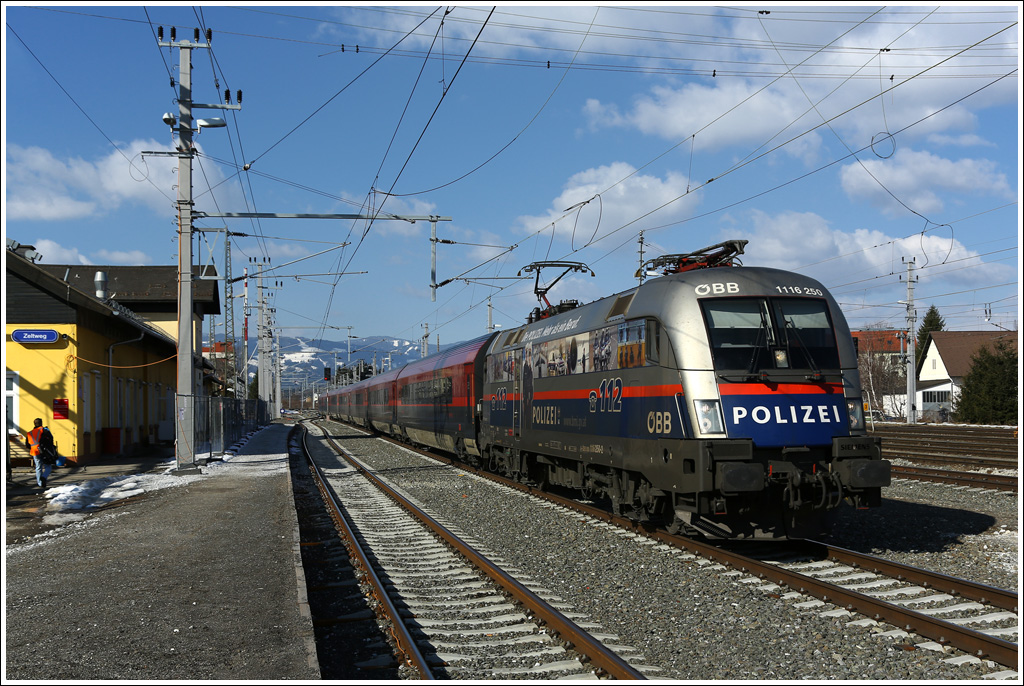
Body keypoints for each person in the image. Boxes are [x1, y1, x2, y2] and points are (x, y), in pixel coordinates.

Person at [26, 417, 52, 489]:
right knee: (48, 466)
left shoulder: (30, 433)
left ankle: (40, 483)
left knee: (38, 467)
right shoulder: (44, 430)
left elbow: (27, 445)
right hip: (44, 451)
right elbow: (50, 440)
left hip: (34, 452)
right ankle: (44, 477)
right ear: (41, 423)